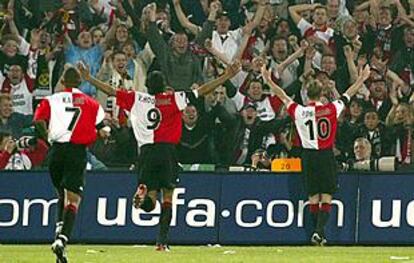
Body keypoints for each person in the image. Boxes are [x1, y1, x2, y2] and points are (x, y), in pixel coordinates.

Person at [78, 60, 241, 251]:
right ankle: (162, 242)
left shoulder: (137, 98)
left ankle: (144, 195)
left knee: (151, 202)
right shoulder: (173, 99)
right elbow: (203, 90)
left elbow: (110, 91)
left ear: (147, 86)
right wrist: (226, 76)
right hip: (167, 152)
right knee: (168, 198)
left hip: (146, 153)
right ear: (164, 86)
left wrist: (89, 78)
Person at [261, 64, 371, 246]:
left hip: (309, 156)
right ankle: (319, 232)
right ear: (322, 94)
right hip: (326, 155)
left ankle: (316, 233)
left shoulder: (299, 111)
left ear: (306, 93)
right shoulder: (332, 108)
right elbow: (348, 94)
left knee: (313, 196)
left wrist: (268, 79)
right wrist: (361, 79)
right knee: (326, 195)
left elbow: (282, 95)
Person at [33, 66, 110, 262]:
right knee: (73, 200)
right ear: (80, 83)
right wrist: (105, 132)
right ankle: (62, 240)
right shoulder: (92, 104)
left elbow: (38, 121)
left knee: (61, 194)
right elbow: (103, 129)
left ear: (63, 82)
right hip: (77, 152)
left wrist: (48, 138)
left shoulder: (51, 100)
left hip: (56, 152)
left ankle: (59, 242)